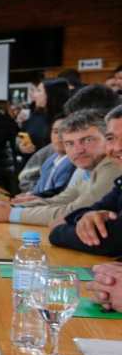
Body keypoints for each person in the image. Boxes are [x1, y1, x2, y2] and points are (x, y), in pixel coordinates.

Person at [0, 109, 122, 226]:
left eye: (87, 140)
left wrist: (11, 214)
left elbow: (74, 211)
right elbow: (63, 199)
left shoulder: (113, 166)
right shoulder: (85, 167)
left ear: (107, 138)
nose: (78, 150)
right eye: (70, 143)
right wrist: (14, 206)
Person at [49, 105, 122, 255]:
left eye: (87, 140)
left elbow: (111, 240)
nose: (117, 147)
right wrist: (84, 218)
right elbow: (93, 208)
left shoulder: (110, 167)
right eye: (111, 138)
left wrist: (58, 231)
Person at [16, 78, 69, 154]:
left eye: (39, 91)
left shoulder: (66, 119)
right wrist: (21, 146)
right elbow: (21, 135)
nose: (34, 95)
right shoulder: (35, 114)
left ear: (51, 94)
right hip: (31, 160)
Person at [17, 117, 67, 194]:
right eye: (55, 132)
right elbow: (25, 179)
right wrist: (33, 194)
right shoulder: (45, 154)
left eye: (64, 131)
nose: (59, 137)